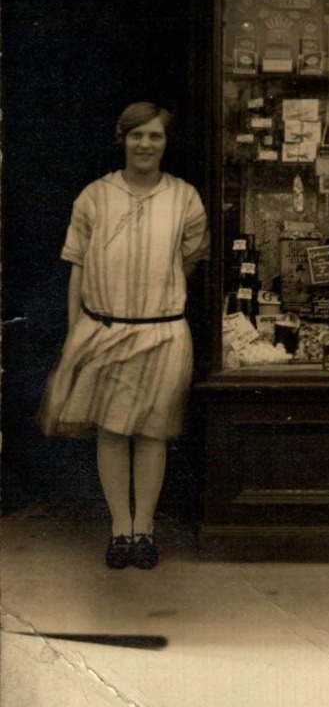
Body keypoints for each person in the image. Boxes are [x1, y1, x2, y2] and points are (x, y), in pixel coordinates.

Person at [37, 102, 210, 570]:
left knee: (151, 435)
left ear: (165, 142)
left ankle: (144, 533)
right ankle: (119, 531)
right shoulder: (94, 196)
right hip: (103, 330)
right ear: (122, 138)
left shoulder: (185, 199)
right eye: (136, 135)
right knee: (112, 434)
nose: (146, 144)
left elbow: (188, 263)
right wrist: (79, 330)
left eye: (155, 136)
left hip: (162, 332)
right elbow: (76, 268)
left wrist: (152, 300)